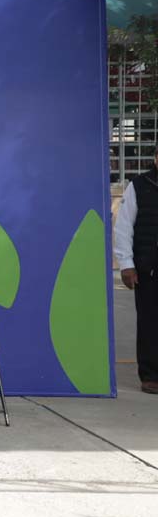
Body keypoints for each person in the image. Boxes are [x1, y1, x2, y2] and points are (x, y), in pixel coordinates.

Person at [113, 151, 158, 394]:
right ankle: (151, 375)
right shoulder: (139, 186)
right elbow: (123, 227)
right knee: (150, 321)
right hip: (148, 266)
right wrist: (126, 264)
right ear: (155, 158)